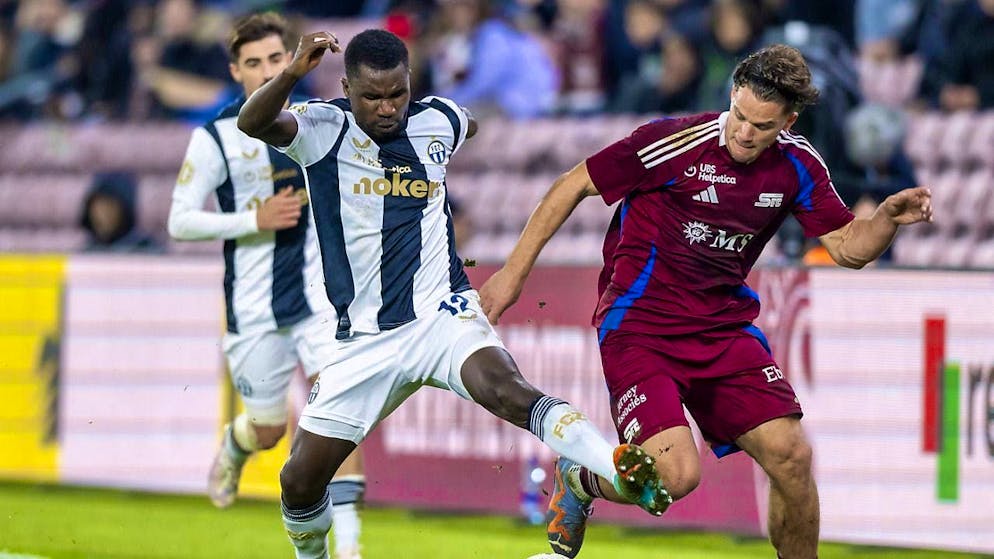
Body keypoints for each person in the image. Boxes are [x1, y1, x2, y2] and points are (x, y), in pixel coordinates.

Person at [480, 44, 934, 559]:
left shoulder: (797, 164)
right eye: (738, 115)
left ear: (788, 118)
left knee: (791, 457)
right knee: (674, 478)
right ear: (732, 96)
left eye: (761, 126)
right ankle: (581, 477)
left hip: (723, 330)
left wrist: (886, 221)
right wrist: (512, 276)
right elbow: (572, 184)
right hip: (641, 329)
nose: (743, 132)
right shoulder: (671, 143)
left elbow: (849, 248)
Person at [236, 28, 671, 559]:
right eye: (371, 96)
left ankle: (617, 467)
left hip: (443, 312)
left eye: (397, 93)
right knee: (299, 482)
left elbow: (470, 122)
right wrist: (289, 74)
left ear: (410, 83)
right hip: (365, 340)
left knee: (507, 388)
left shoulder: (439, 119)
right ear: (346, 87)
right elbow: (252, 122)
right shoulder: (322, 128)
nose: (387, 107)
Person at [166, 13, 366, 559]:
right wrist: (251, 220)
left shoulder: (316, 122)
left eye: (276, 59)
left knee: (339, 411)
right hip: (254, 307)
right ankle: (236, 443)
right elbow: (179, 221)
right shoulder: (214, 139)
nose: (266, 71)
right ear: (236, 71)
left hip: (322, 301)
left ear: (293, 60)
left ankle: (349, 548)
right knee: (269, 430)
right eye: (253, 63)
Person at [80, 171, 162, 253]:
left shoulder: (149, 252)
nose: (102, 215)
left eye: (110, 206)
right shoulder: (84, 255)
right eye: (97, 208)